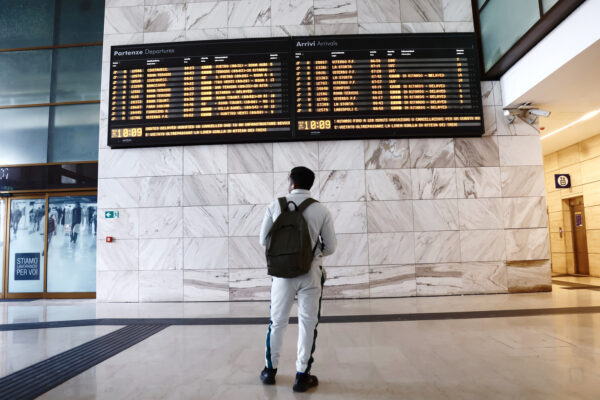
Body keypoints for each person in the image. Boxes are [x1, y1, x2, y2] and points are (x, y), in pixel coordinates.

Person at [258, 166, 337, 393]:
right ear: (310, 184)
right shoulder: (321, 210)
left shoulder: (275, 205)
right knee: (308, 323)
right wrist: (313, 252)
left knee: (277, 322)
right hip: (310, 273)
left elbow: (264, 240)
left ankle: (269, 371)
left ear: (291, 182)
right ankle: (302, 376)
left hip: (281, 275)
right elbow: (330, 247)